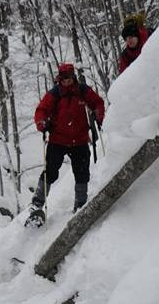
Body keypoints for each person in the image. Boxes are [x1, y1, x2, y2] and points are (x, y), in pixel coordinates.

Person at [28, 62, 105, 223]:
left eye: (69, 77)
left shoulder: (83, 91)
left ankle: (81, 204)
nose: (66, 81)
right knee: (50, 171)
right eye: (64, 78)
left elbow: (98, 102)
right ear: (59, 79)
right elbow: (41, 110)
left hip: (80, 139)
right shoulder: (54, 94)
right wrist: (41, 122)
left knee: (82, 171)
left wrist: (99, 115)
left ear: (73, 77)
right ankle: (37, 205)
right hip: (58, 139)